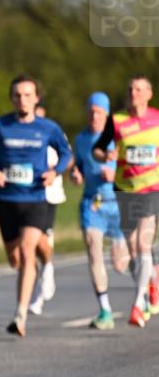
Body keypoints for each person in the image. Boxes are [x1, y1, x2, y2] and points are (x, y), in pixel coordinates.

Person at [0, 74, 72, 337]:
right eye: (17, 95)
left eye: (27, 95)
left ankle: (20, 315)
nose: (22, 100)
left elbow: (66, 153)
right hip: (6, 200)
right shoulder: (0, 126)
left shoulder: (48, 127)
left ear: (36, 98)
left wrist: (55, 172)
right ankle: (39, 263)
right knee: (15, 259)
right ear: (11, 99)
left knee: (28, 250)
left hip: (35, 198)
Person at [93, 75, 159, 327]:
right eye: (130, 88)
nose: (134, 93)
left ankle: (138, 303)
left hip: (152, 189)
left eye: (139, 89)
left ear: (149, 94)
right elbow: (97, 150)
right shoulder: (117, 120)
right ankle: (151, 284)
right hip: (125, 190)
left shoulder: (157, 119)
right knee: (133, 250)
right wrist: (105, 155)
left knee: (143, 245)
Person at [70, 92, 131, 329]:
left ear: (107, 115)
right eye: (91, 112)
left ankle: (152, 278)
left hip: (118, 202)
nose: (94, 116)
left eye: (99, 112)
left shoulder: (120, 137)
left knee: (120, 265)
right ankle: (105, 310)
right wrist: (76, 174)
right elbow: (78, 166)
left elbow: (140, 169)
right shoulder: (82, 139)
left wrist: (116, 175)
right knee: (93, 250)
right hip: (92, 203)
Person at [28, 102, 64, 315]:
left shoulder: (53, 132)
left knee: (41, 238)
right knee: (27, 246)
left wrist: (54, 171)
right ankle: (43, 272)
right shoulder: (23, 134)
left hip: (49, 195)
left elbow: (67, 157)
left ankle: (45, 277)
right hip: (24, 195)